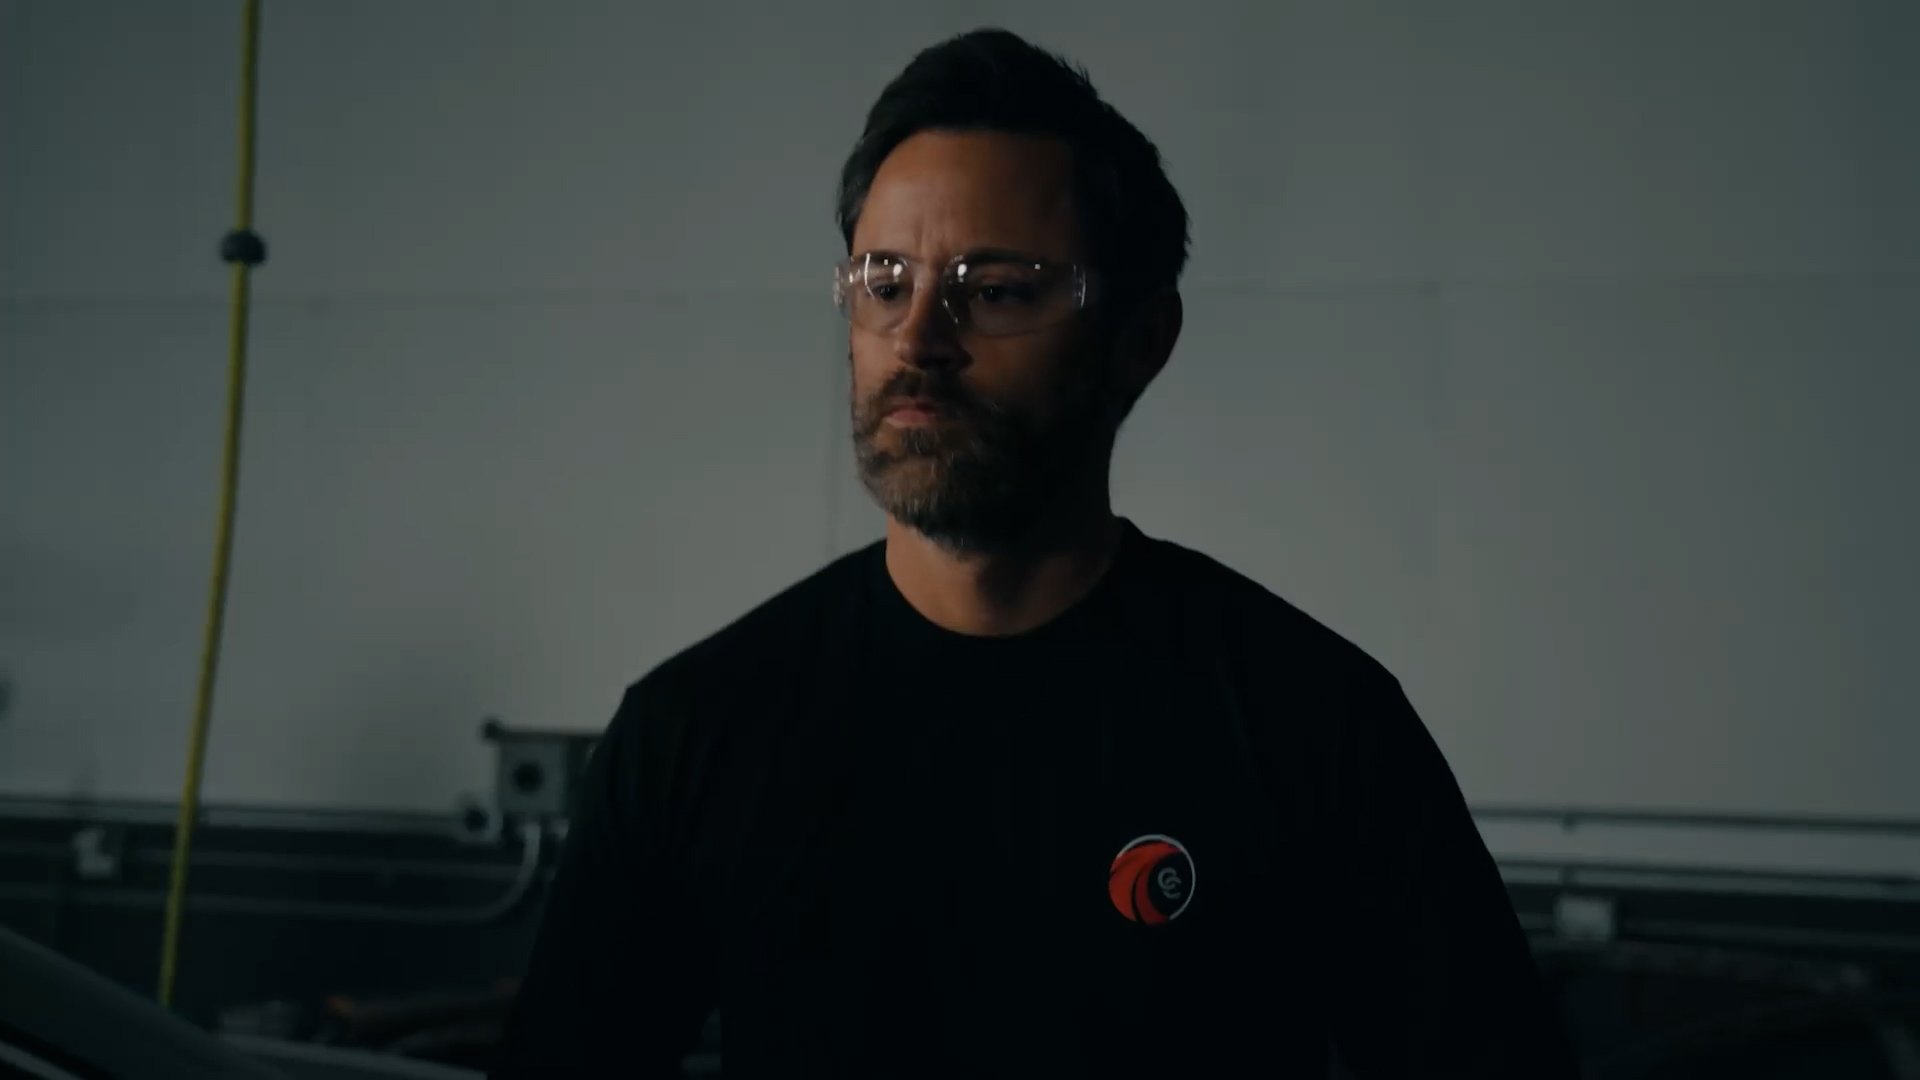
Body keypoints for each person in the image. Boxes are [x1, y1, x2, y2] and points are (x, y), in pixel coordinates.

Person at [493, 27, 1576, 1079]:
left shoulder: (1310, 722)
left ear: (1140, 343)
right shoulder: (694, 734)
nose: (919, 340)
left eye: (997, 290)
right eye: (885, 283)